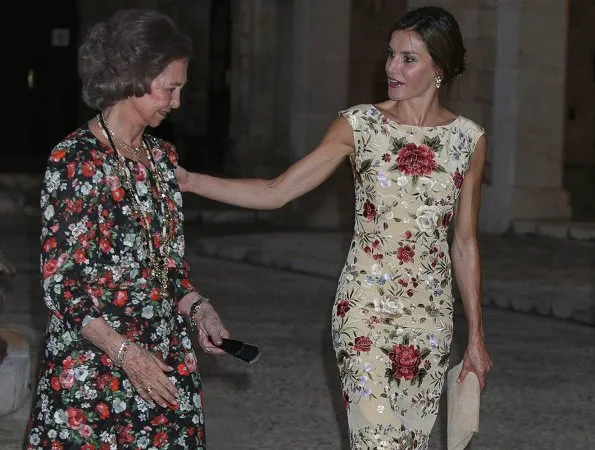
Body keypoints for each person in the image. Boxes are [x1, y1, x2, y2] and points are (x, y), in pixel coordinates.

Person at [176, 6, 494, 449]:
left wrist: (476, 337)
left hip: (430, 321)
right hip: (363, 313)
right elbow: (277, 190)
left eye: (407, 58)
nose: (391, 67)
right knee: (378, 443)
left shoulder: (468, 141)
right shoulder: (359, 125)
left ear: (439, 67)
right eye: (390, 54)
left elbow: (463, 242)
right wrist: (190, 181)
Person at [24, 9, 230, 450]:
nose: (176, 102)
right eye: (170, 88)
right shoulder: (76, 159)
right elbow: (61, 285)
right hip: (95, 368)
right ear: (132, 77)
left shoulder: (161, 159)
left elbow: (168, 267)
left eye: (180, 89)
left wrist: (199, 310)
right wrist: (126, 355)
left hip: (163, 359)